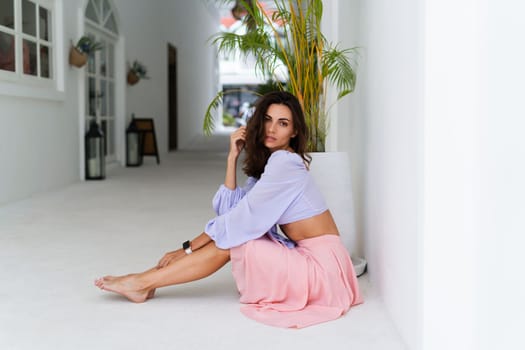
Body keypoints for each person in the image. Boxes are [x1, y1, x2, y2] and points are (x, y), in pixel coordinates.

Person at [94, 91, 363, 328]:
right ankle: (145, 282)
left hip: (322, 267)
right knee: (236, 236)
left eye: (283, 123)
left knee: (236, 242)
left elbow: (239, 221)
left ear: (294, 132)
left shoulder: (285, 164)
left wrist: (186, 248)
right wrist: (232, 157)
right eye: (268, 120)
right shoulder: (273, 163)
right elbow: (230, 211)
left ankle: (142, 282)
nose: (272, 129)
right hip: (314, 259)